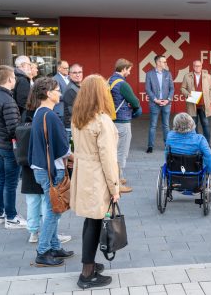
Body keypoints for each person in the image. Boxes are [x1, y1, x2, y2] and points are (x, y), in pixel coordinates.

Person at [70, 74, 120, 289]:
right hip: (97, 177)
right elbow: (108, 159)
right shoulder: (102, 121)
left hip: (83, 175)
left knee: (90, 222)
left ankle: (88, 265)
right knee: (95, 222)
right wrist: (115, 188)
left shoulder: (78, 118)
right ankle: (86, 274)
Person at [28, 77, 75, 267]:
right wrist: (77, 158)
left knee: (53, 207)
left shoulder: (39, 113)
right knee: (53, 211)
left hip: (42, 168)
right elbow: (63, 149)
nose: (60, 93)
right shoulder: (50, 116)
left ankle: (54, 247)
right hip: (52, 170)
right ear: (48, 93)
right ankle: (43, 251)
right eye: (57, 90)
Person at [0, 65, 27, 229]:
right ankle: (11, 217)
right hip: (8, 148)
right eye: (15, 78)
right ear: (10, 79)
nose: (16, 80)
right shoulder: (8, 101)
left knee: (1, 179)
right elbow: (13, 129)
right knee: (10, 183)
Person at [110, 58, 141, 193]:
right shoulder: (123, 84)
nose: (129, 72)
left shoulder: (110, 80)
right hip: (122, 121)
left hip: (112, 120)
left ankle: (119, 176)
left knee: (114, 151)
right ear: (123, 69)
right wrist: (134, 106)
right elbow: (135, 102)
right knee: (121, 153)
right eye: (129, 70)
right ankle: (118, 184)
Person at [180, 60, 211, 145]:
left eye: (199, 66)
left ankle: (207, 144)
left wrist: (210, 99)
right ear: (193, 66)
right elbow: (182, 88)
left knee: (205, 124)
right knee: (193, 125)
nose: (197, 67)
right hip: (192, 104)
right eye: (195, 66)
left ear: (202, 66)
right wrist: (188, 95)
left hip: (204, 105)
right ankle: (195, 144)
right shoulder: (187, 76)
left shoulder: (207, 76)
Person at [145, 55, 174, 153]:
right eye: (164, 62)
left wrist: (168, 99)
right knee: (153, 125)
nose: (166, 63)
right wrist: (155, 99)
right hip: (154, 103)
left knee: (166, 125)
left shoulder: (168, 74)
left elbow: (172, 88)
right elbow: (148, 89)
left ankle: (167, 145)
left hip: (166, 103)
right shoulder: (149, 74)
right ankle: (150, 146)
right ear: (158, 63)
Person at [62, 63, 84, 139]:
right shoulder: (71, 89)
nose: (78, 75)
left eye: (80, 72)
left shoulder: (78, 87)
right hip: (72, 129)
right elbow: (75, 111)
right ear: (69, 74)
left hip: (78, 126)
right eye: (74, 73)